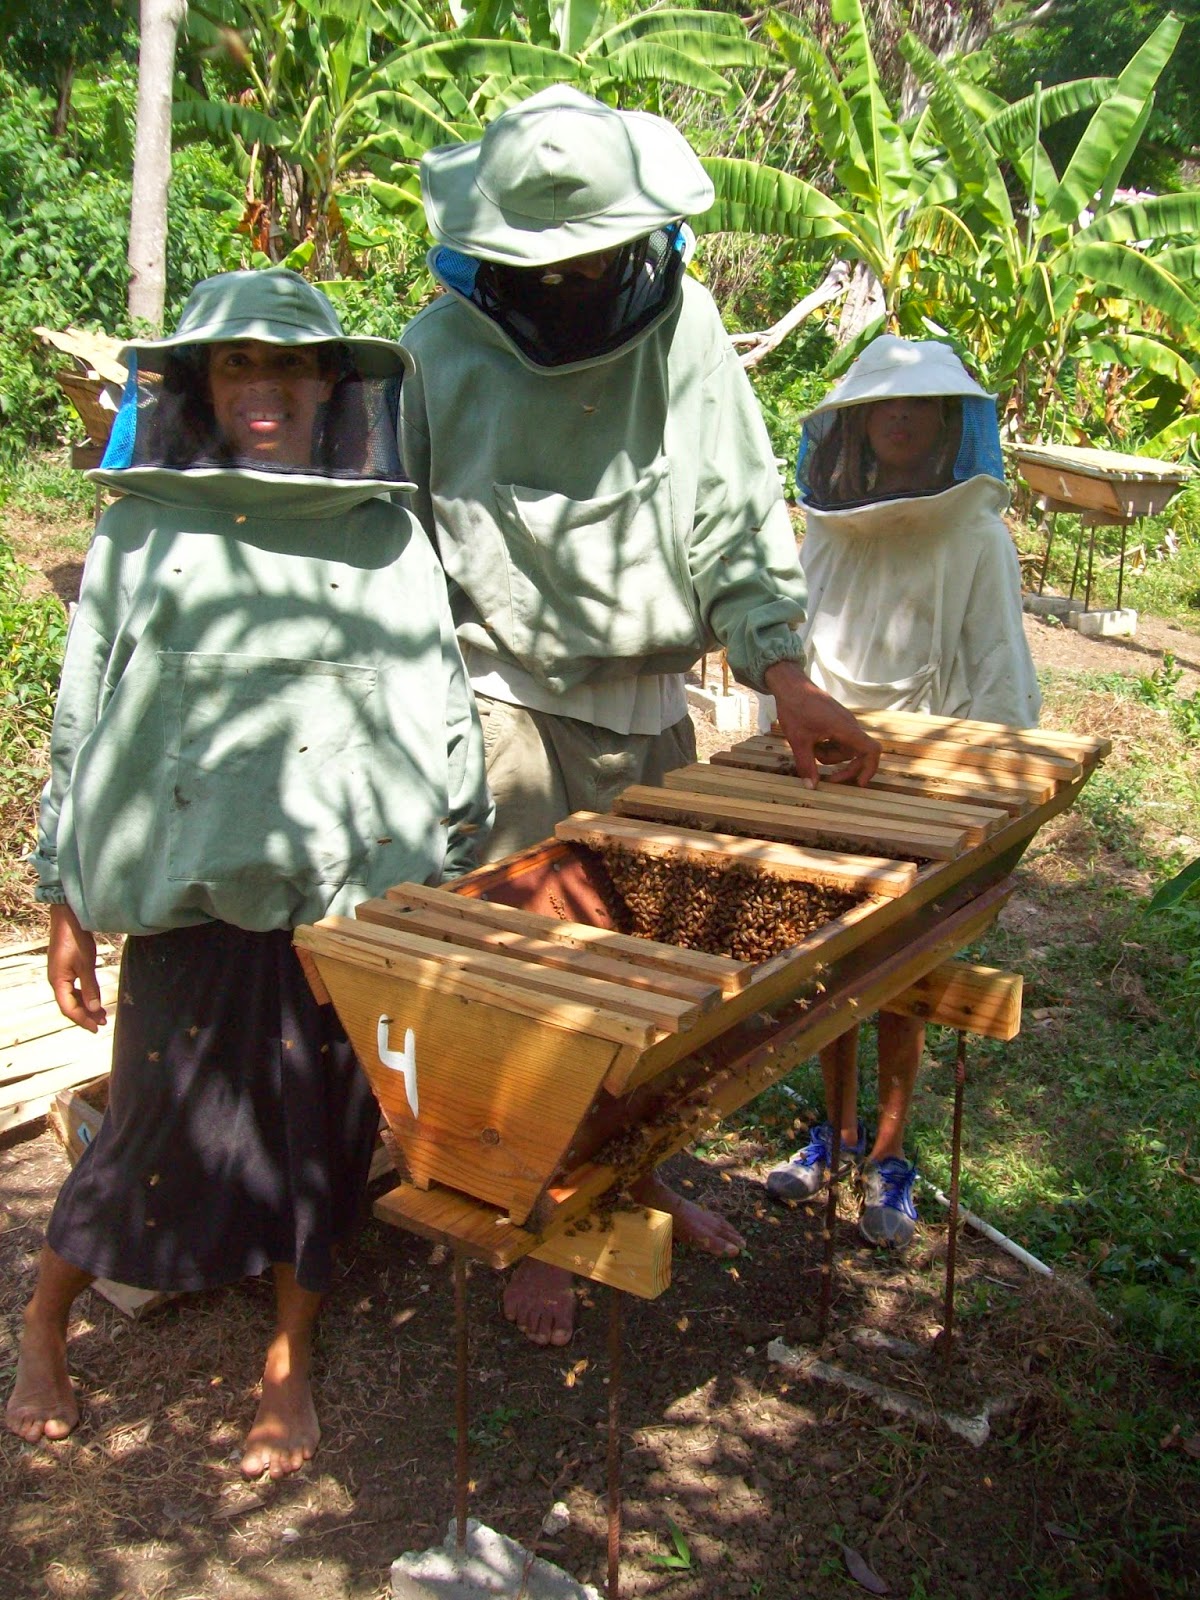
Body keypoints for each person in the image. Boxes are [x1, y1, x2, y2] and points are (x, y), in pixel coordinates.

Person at [398, 85, 879, 1345]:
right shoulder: (435, 351)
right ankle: (537, 1219)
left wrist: (784, 668)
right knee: (519, 980)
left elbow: (729, 506)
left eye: (595, 257)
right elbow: (398, 551)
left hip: (652, 710)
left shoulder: (686, 331)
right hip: (501, 702)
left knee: (652, 985)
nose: (570, 284)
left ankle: (641, 1176)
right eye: (542, 265)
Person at [5, 269, 492, 1475]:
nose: (264, 388)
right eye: (238, 367)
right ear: (199, 388)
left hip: (342, 901)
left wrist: (443, 884)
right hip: (183, 900)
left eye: (288, 366)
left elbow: (440, 712)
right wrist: (64, 899)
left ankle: (286, 1361)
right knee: (149, 1122)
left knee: (319, 1131)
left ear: (332, 386)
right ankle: (41, 1324)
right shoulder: (140, 524)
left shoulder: (384, 531)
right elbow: (84, 718)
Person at [763, 334, 1041, 1245]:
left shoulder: (976, 534)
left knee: (902, 978)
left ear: (946, 424)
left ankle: (888, 1152)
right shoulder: (830, 530)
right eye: (884, 405)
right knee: (829, 965)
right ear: (855, 423)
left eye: (919, 406)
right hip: (828, 778)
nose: (900, 419)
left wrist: (981, 808)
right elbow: (798, 659)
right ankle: (832, 1130)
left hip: (926, 784)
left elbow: (999, 678)